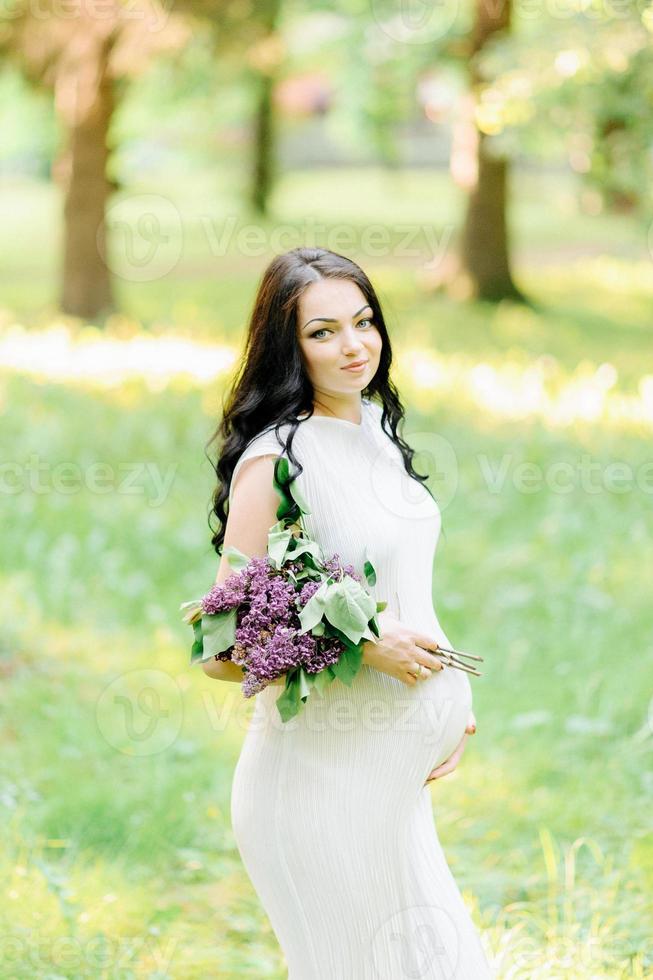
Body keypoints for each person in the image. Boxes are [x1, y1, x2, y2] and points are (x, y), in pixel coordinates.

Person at [203, 247, 493, 978]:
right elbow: (219, 645)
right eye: (323, 331)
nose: (354, 345)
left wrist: (449, 700)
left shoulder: (377, 434)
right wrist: (361, 646)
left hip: (389, 784)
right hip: (315, 791)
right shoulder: (278, 461)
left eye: (364, 322)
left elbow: (404, 589)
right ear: (287, 346)